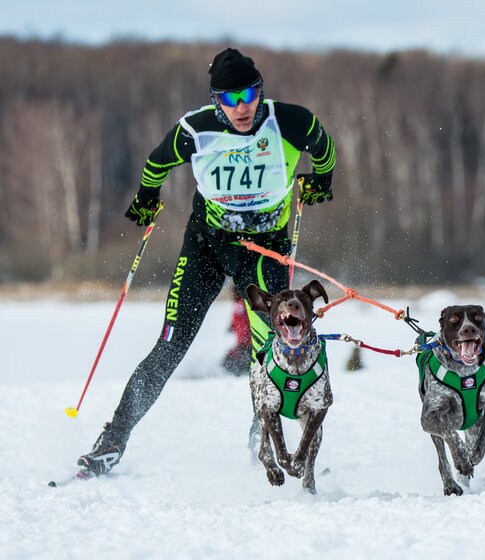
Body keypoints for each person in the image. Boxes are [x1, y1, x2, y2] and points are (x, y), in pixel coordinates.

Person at [77, 47, 336, 478]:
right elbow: (156, 164)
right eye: (230, 98)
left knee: (267, 347)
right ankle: (112, 440)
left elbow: (324, 150)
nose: (242, 107)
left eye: (249, 94)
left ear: (260, 91)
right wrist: (145, 198)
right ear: (216, 99)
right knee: (170, 344)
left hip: (265, 248)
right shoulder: (194, 129)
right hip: (207, 247)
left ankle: (263, 436)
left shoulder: (290, 122)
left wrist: (320, 182)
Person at [223, 285, 253, 376]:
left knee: (229, 363)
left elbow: (244, 323)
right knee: (227, 361)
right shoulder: (242, 305)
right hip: (244, 343)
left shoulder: (241, 305)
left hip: (246, 344)